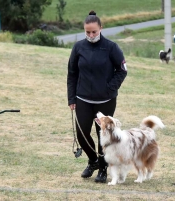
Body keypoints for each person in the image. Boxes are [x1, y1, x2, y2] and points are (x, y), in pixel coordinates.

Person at [67, 10, 127, 183]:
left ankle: (103, 168)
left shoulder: (111, 47)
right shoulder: (78, 47)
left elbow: (122, 70)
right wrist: (71, 98)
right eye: (87, 32)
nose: (91, 35)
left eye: (94, 31)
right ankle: (93, 160)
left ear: (101, 28)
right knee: (81, 134)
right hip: (83, 99)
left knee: (104, 136)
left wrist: (110, 89)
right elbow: (72, 74)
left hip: (106, 100)